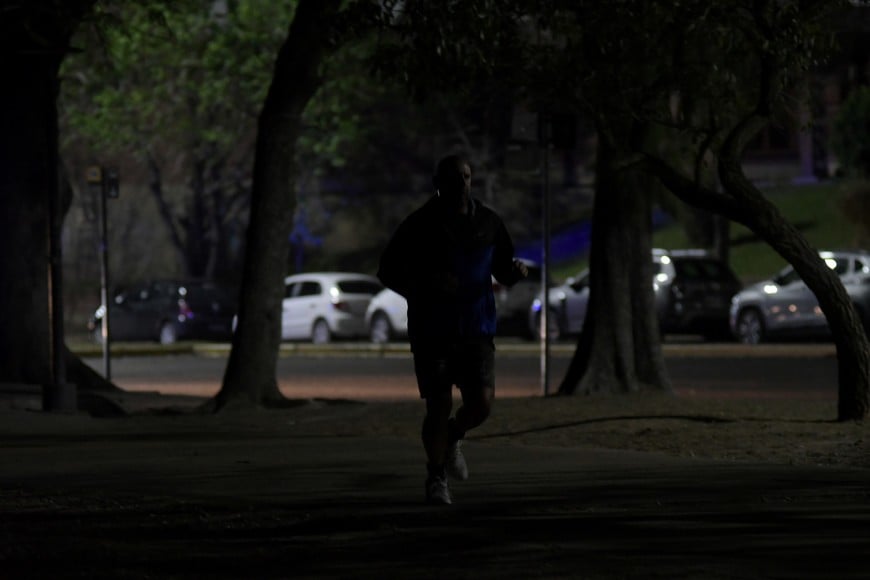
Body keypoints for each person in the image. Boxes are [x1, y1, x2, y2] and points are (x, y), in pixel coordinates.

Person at [377, 154, 528, 505]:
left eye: (466, 176)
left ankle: (455, 437)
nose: (461, 183)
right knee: (438, 405)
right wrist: (426, 284)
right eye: (453, 177)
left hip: (477, 327)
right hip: (433, 329)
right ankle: (436, 477)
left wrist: (514, 274)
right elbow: (387, 270)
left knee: (482, 403)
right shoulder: (419, 225)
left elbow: (502, 268)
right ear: (438, 183)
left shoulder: (488, 222)